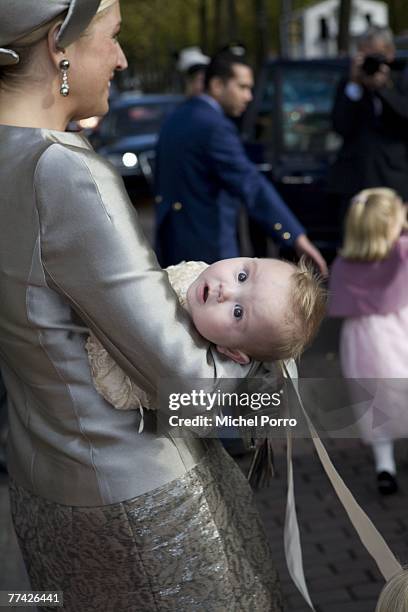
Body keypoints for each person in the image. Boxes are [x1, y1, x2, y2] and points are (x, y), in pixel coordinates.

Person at [0, 1, 285, 610]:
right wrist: (263, 352)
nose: (123, 58)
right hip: (138, 491)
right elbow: (188, 386)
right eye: (115, 36)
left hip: (38, 478)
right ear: (59, 44)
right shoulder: (65, 172)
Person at [155, 51, 328, 276]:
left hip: (174, 245)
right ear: (217, 85)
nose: (249, 96)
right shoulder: (214, 127)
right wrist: (295, 237)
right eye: (243, 87)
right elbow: (251, 185)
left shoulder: (177, 117)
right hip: (208, 251)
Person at [86, 256, 326, 414]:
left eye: (238, 312)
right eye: (242, 276)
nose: (226, 290)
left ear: (232, 351)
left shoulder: (187, 363)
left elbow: (115, 388)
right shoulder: (198, 271)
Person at [328, 188, 408, 495]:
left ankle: (384, 466)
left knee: (376, 404)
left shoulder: (344, 264)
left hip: (363, 341)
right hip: (400, 331)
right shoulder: (402, 252)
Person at [329, 26, 408, 222]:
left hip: (394, 182)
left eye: (376, 55)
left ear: (389, 53)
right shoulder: (349, 83)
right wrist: (355, 85)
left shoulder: (400, 80)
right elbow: (340, 126)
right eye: (365, 55)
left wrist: (382, 89)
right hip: (355, 183)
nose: (370, 62)